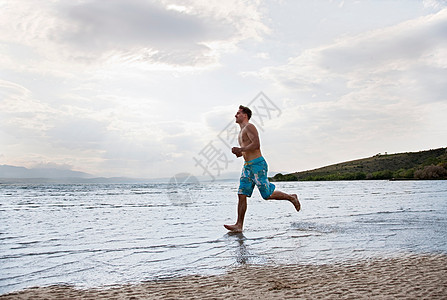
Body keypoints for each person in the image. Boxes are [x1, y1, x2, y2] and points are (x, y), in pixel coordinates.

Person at [224, 105, 300, 232]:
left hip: (258, 165)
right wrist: (239, 153)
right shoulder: (240, 132)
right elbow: (247, 149)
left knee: (267, 194)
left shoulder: (250, 127)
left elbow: (256, 144)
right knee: (241, 194)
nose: (235, 115)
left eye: (238, 113)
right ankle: (239, 225)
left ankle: (291, 197)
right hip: (247, 166)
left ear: (245, 115)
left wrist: (241, 149)